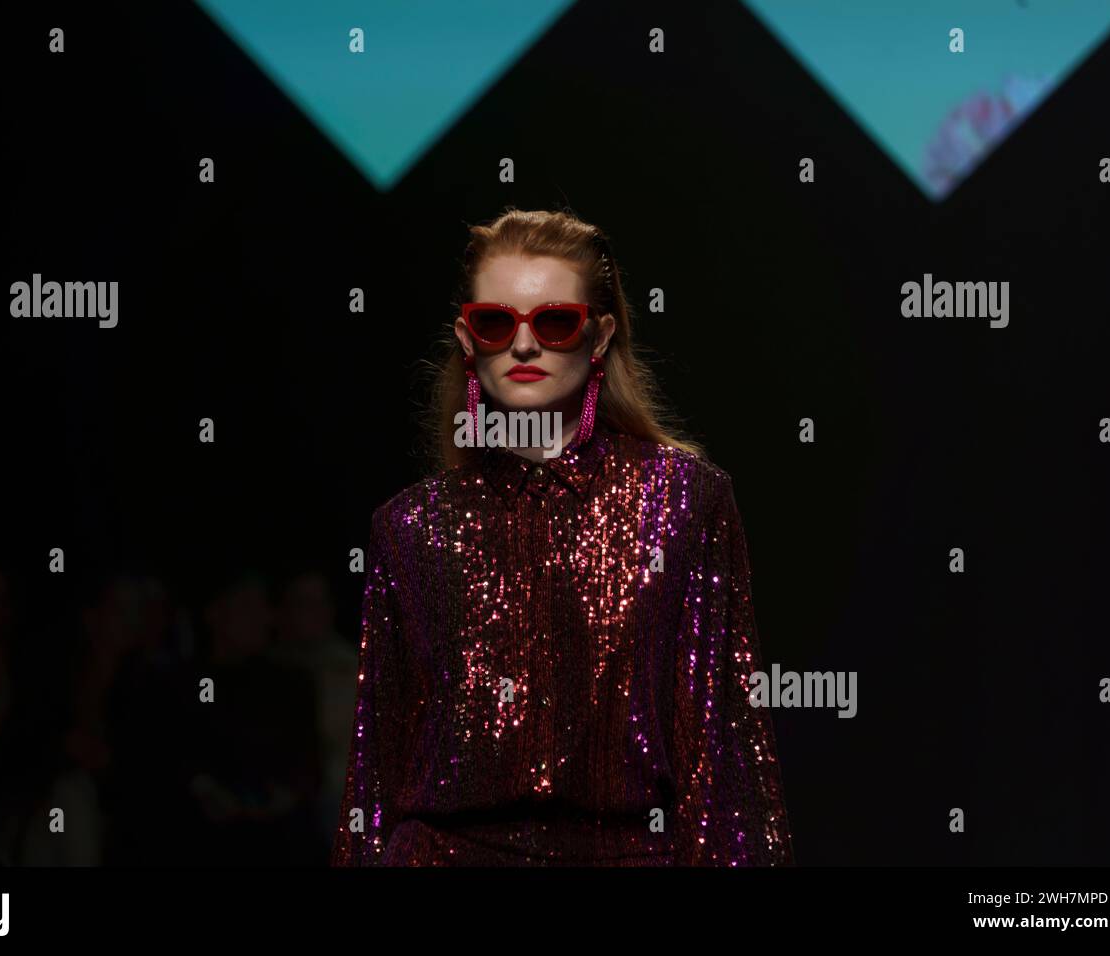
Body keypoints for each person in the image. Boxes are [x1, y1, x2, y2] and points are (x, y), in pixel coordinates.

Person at [330, 208, 794, 866]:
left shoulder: (684, 503)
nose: (525, 346)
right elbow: (374, 776)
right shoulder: (410, 527)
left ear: (599, 335)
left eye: (554, 321)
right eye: (496, 323)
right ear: (469, 337)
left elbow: (722, 758)